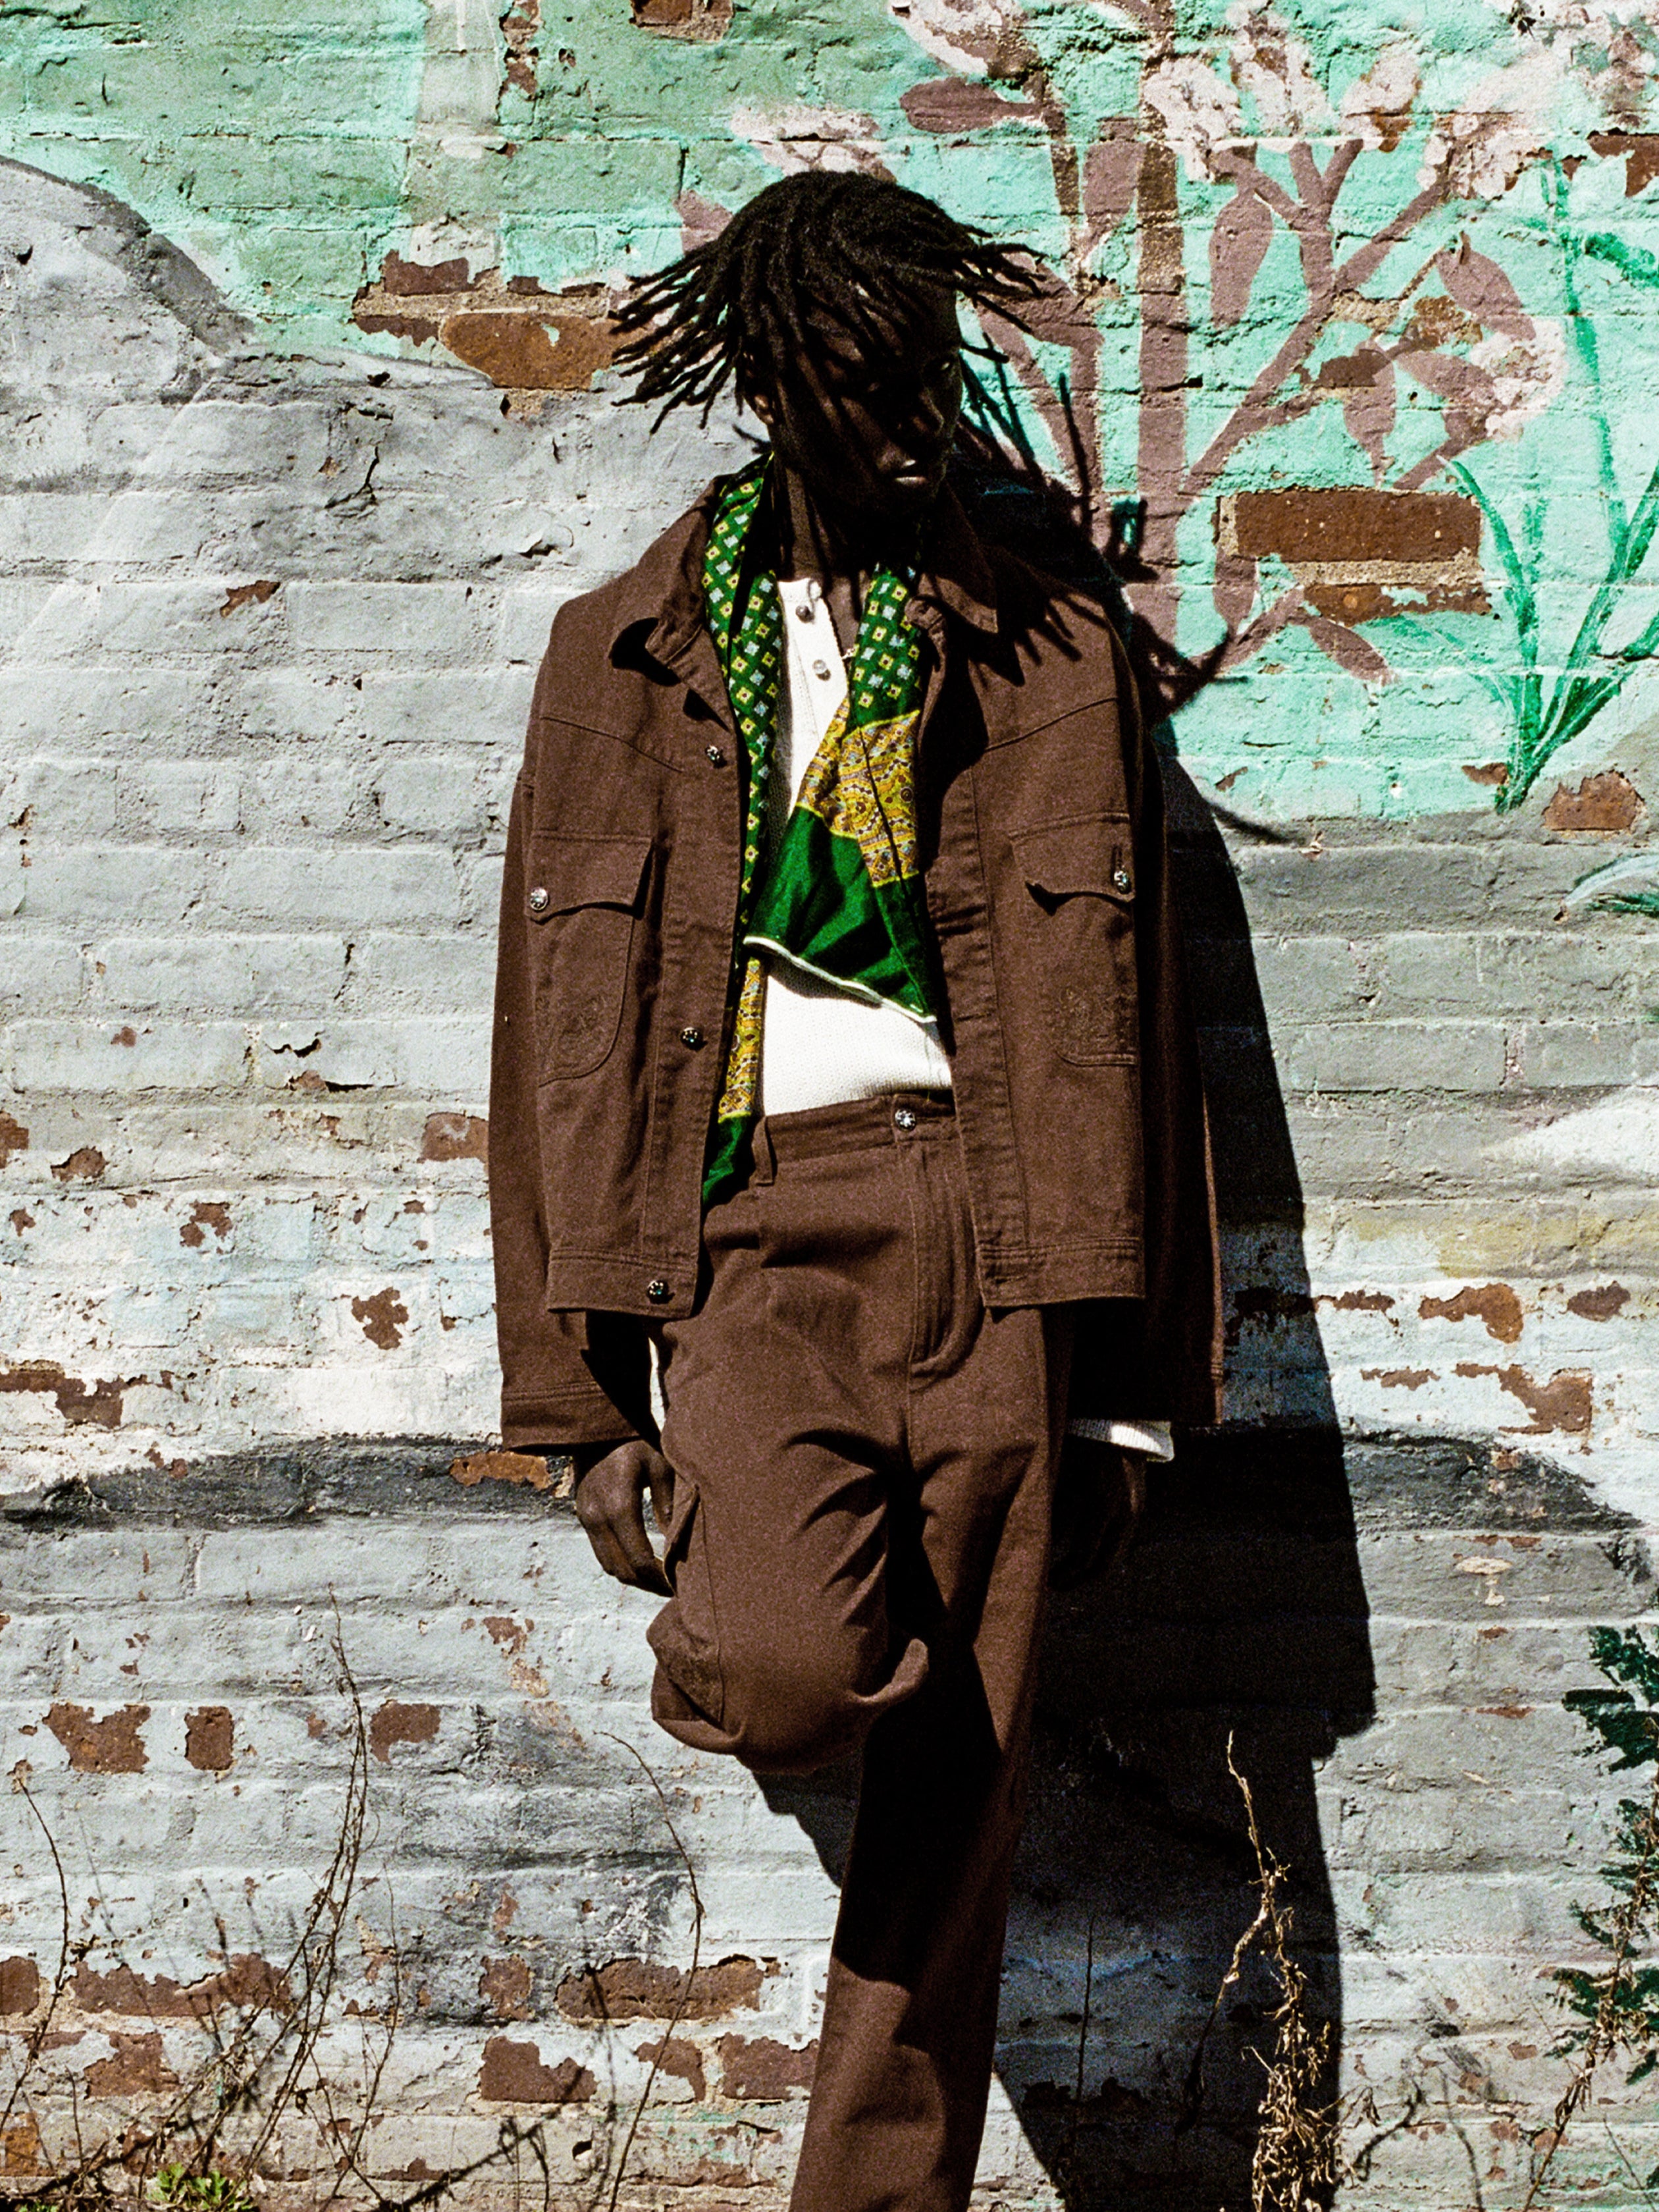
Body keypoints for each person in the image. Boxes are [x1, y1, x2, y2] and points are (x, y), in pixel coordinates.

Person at [488, 171, 1221, 2212]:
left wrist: (1129, 1385)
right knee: (795, 1670)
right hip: (740, 1242)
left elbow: (1137, 1028)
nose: (895, 415)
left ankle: (872, 2201)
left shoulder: (1044, 645)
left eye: (918, 370)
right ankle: (781, 1605)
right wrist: (575, 1413)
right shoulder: (616, 659)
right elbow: (538, 1038)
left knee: (959, 1800)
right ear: (766, 379)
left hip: (989, 1233)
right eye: (845, 372)